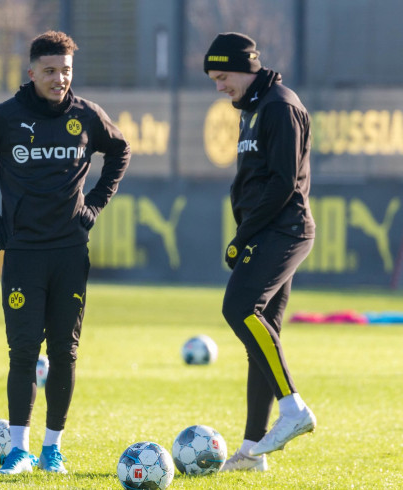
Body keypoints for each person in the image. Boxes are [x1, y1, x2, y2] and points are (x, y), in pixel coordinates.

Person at [0, 30, 130, 475]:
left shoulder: (87, 116)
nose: (59, 79)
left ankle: (52, 450)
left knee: (66, 353)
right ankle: (18, 450)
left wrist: (96, 204)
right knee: (24, 352)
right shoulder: (6, 117)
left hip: (70, 253)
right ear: (31, 73)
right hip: (24, 254)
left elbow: (120, 150)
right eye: (50, 71)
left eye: (66, 71)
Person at [204, 32, 316, 471]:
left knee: (239, 308)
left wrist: (243, 234)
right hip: (267, 230)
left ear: (246, 66)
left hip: (282, 230)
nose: (219, 87)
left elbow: (282, 182)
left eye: (223, 76)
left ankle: (293, 409)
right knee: (261, 333)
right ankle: (252, 451)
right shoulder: (252, 109)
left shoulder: (280, 107)